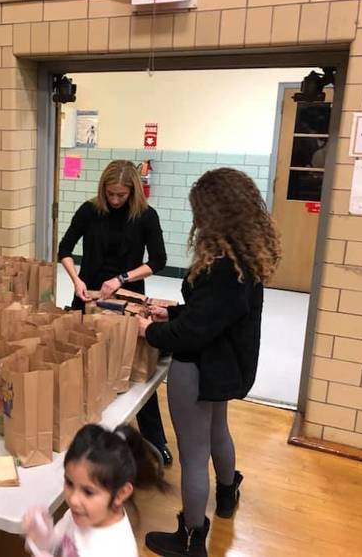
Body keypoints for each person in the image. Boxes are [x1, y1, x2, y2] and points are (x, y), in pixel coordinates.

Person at [139, 168, 281, 557]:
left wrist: (147, 331)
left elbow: (194, 334)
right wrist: (177, 312)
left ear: (216, 213)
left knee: (194, 455)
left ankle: (190, 538)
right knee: (219, 430)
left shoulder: (221, 267)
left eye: (200, 211)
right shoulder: (242, 258)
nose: (196, 219)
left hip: (199, 367)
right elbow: (213, 316)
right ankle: (227, 492)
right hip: (223, 366)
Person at [58, 159, 172, 465]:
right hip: (89, 296)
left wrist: (122, 278)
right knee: (85, 367)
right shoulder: (89, 211)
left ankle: (153, 441)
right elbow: (64, 249)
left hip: (127, 298)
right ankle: (86, 439)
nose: (115, 200)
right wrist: (77, 280)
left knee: (135, 372)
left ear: (132, 191)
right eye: (111, 194)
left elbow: (158, 260)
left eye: (121, 195)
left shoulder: (146, 216)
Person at [22, 423, 167, 557]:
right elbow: (58, 547)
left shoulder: (118, 550)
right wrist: (43, 538)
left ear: (120, 494)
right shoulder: (79, 515)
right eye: (69, 483)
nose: (73, 499)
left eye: (88, 492)